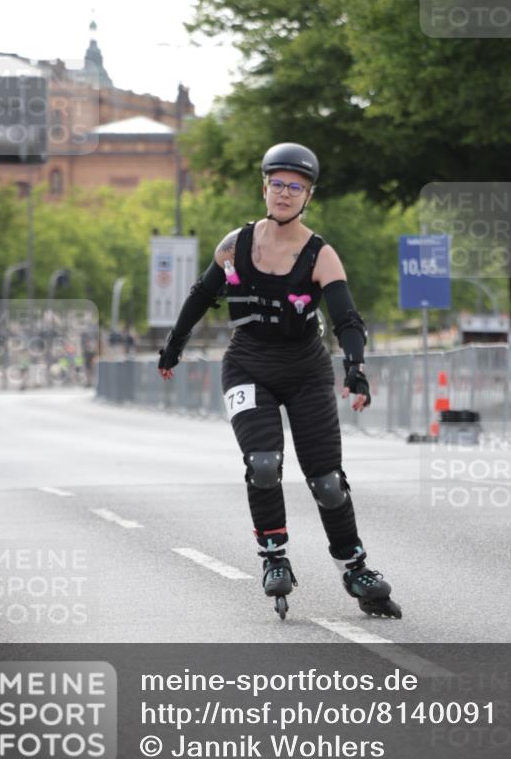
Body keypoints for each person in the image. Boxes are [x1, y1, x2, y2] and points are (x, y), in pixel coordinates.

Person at [158, 143, 402, 620]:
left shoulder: (320, 254)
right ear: (264, 187)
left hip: (306, 371)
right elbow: (201, 294)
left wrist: (355, 368)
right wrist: (174, 345)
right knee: (264, 462)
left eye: (296, 186)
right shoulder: (234, 245)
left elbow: (347, 319)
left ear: (308, 195)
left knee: (327, 482)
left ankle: (355, 568)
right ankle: (273, 557)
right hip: (247, 365)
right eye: (278, 184)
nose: (285, 193)